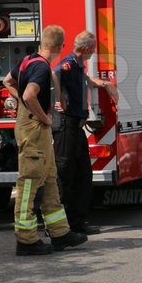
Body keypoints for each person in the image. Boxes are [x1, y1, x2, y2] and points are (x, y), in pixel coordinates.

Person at [2, 25, 87, 256]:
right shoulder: (41, 67)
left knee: (50, 179)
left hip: (30, 126)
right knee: (29, 183)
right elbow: (30, 95)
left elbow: (7, 81)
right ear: (61, 46)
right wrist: (44, 118)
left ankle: (60, 232)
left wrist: (23, 103)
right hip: (35, 129)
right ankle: (26, 240)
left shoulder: (28, 60)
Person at [52, 31, 119, 234]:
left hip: (76, 127)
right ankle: (59, 226)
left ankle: (77, 224)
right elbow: (54, 74)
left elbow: (85, 80)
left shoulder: (77, 66)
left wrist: (105, 84)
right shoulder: (67, 64)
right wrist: (60, 100)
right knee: (65, 175)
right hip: (66, 126)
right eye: (94, 48)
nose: (94, 52)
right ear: (87, 49)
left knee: (82, 175)